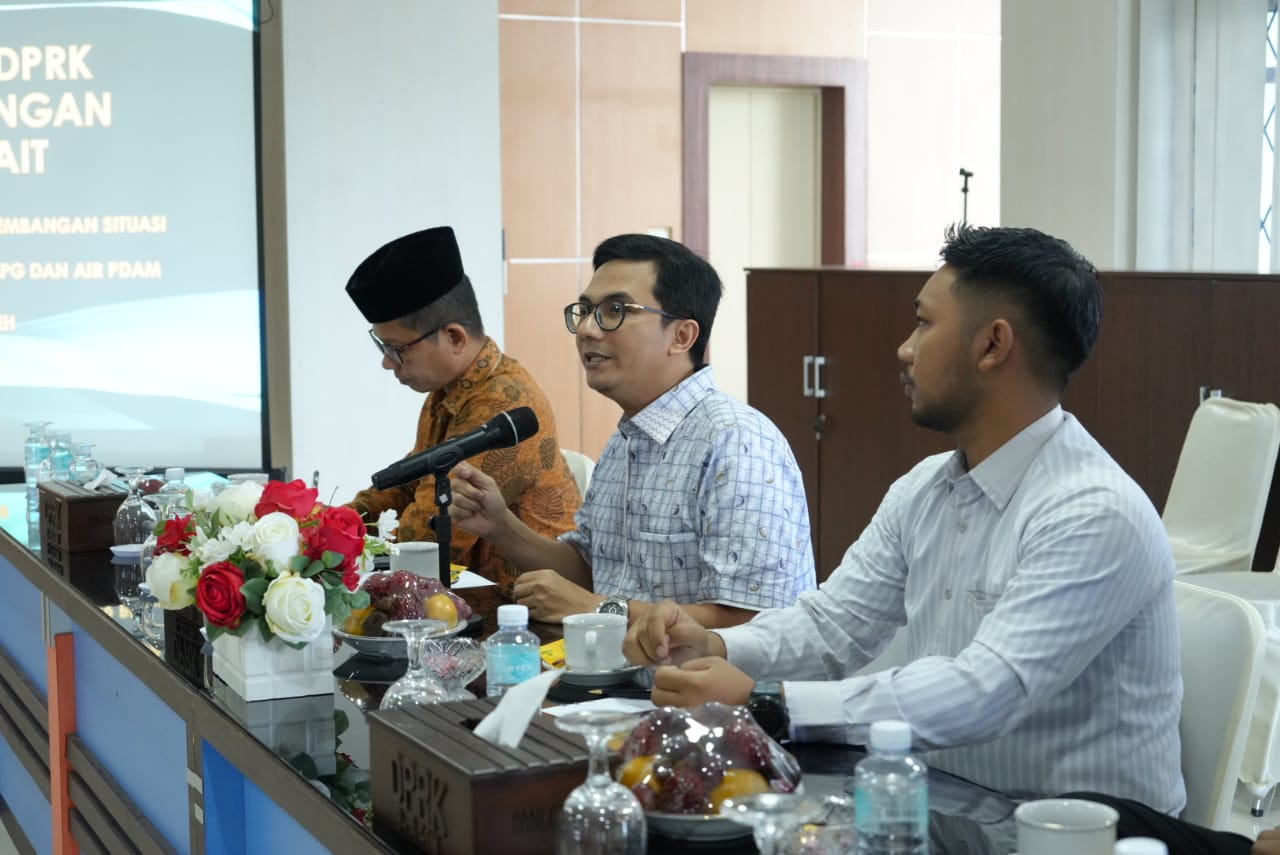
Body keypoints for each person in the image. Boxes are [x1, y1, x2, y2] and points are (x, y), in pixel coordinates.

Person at [625, 224, 1186, 811]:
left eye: (924, 323)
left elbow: (986, 690)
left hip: (1080, 832)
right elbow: (833, 625)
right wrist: (716, 645)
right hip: (947, 805)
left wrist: (767, 702)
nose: (905, 348)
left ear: (992, 345)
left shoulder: (1092, 512)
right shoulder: (926, 487)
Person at [449, 233, 816, 626]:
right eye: (586, 311)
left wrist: (596, 609)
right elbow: (593, 570)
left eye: (615, 310)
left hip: (702, 669)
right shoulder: (627, 438)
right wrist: (501, 526)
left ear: (682, 336)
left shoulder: (736, 442)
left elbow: (753, 620)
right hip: (613, 661)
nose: (587, 329)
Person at [344, 226, 581, 595]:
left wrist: (342, 548)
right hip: (465, 602)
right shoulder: (445, 393)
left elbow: (428, 539)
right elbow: (409, 486)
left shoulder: (505, 403)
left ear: (454, 337)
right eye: (383, 348)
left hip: (527, 613)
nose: (388, 364)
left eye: (396, 349)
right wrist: (333, 523)